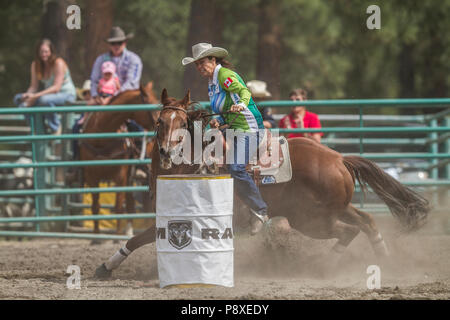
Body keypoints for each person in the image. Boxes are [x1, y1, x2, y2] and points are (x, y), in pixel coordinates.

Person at [182, 43, 269, 235]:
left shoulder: (223, 76)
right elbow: (222, 111)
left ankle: (260, 211)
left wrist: (241, 105)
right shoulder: (212, 83)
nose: (199, 68)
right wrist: (217, 120)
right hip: (234, 128)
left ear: (213, 60)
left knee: (236, 167)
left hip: (248, 128)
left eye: (202, 63)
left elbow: (245, 92)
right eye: (196, 65)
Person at [13, 39, 76, 134]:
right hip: (49, 96)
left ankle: (55, 127)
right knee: (19, 100)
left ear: (51, 51)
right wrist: (28, 95)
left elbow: (56, 88)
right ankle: (37, 129)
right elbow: (33, 87)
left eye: (46, 51)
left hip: (66, 95)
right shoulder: (35, 65)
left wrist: (34, 97)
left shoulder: (58, 63)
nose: (43, 54)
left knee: (43, 100)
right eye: (41, 52)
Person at [89, 26, 143, 106]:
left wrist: (115, 96)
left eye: (119, 43)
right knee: (90, 107)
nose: (116, 46)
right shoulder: (100, 60)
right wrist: (95, 95)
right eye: (113, 43)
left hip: (127, 101)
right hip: (103, 100)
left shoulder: (134, 59)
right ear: (109, 45)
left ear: (125, 43)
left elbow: (132, 83)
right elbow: (94, 81)